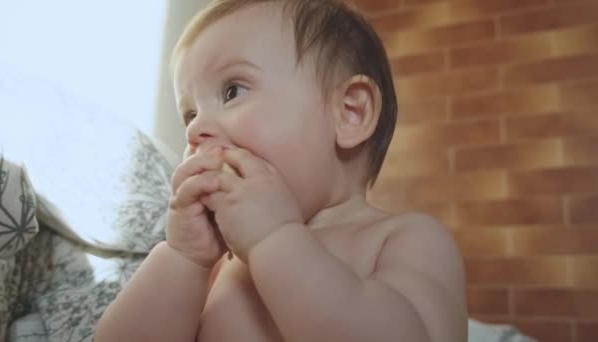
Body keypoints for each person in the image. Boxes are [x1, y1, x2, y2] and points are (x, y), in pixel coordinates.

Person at [94, 0, 467, 341]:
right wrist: (183, 255)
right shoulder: (220, 266)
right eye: (190, 113)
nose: (194, 130)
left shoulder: (405, 240)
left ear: (349, 114)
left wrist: (275, 238)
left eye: (232, 91)